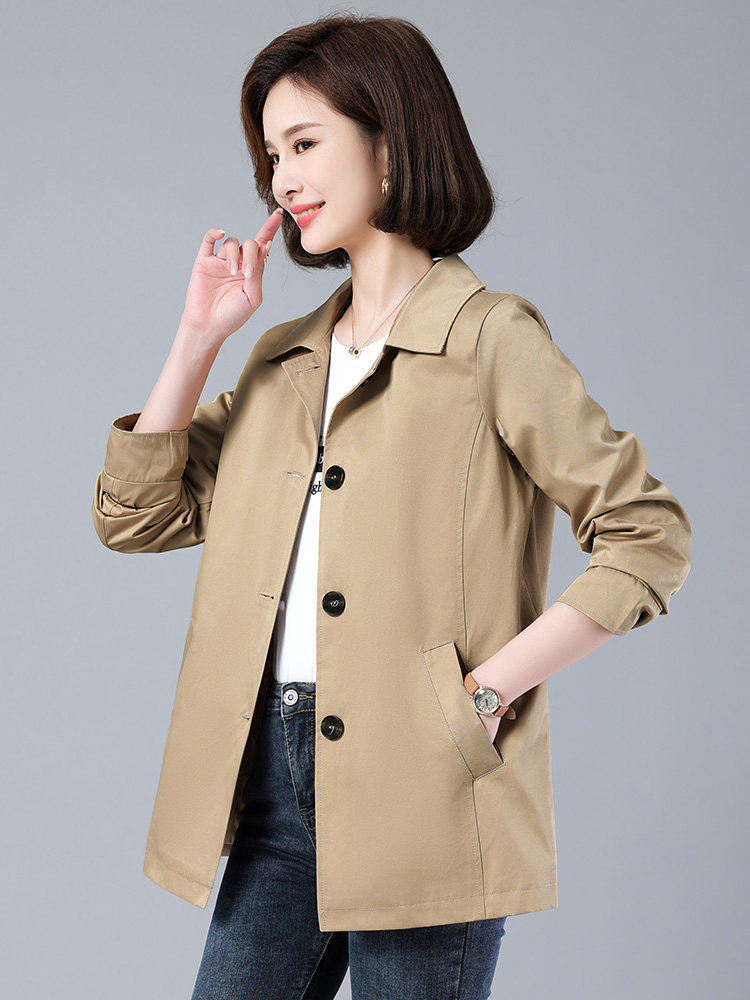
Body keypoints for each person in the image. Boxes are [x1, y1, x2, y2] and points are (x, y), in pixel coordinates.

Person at [91, 13, 692, 1000]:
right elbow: (136, 515)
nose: (281, 179)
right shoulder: (284, 360)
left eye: (304, 143)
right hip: (272, 779)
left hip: (424, 782)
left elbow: (647, 534)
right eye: (271, 155)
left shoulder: (490, 339)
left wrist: (483, 695)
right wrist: (199, 336)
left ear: (390, 140)